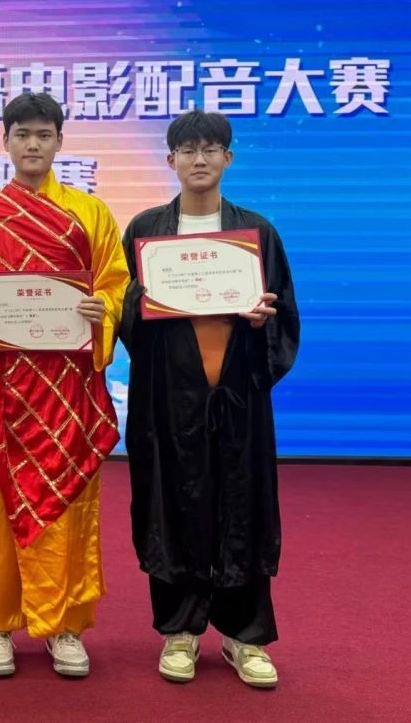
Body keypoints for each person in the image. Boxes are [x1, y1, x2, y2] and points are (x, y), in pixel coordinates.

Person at [0, 92, 129, 679]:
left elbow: (115, 284)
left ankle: (65, 627)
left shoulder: (91, 214)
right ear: (5, 142)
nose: (32, 144)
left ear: (59, 141)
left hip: (66, 394)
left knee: (68, 505)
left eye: (43, 134)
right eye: (22, 134)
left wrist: (103, 310)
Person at [120, 110, 299, 689]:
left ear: (228, 157)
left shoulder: (258, 232)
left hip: (237, 397)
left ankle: (246, 636)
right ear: (170, 160)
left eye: (211, 148)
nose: (199, 159)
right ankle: (180, 630)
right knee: (172, 506)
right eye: (188, 150)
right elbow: (128, 317)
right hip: (171, 400)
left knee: (243, 506)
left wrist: (261, 320)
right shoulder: (146, 230)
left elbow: (284, 312)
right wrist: (143, 300)